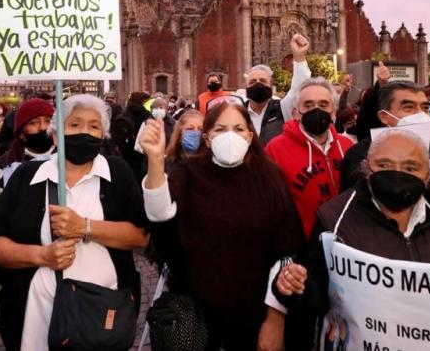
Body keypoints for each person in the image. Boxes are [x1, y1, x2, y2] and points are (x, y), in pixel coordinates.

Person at [274, 129, 430, 350]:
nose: (397, 174)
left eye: (411, 168)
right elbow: (314, 296)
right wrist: (294, 286)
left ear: (427, 176)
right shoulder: (334, 218)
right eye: (384, 165)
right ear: (367, 168)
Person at [0, 94, 148, 351]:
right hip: (36, 313)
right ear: (56, 136)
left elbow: (140, 237)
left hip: (102, 313)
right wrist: (42, 255)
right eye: (75, 124)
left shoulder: (117, 172)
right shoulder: (26, 176)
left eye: (94, 126)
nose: (85, 132)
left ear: (103, 135)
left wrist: (86, 227)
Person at [140, 99, 305, 350]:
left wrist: (275, 319)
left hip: (255, 315)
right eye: (220, 129)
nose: (230, 136)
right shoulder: (188, 173)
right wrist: (155, 161)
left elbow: (286, 253)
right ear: (207, 137)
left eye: (238, 129)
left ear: (250, 136)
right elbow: (160, 214)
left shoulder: (270, 179)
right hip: (196, 317)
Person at [266, 78, 354, 239]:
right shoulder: (276, 149)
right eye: (308, 105)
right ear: (295, 113)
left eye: (323, 105)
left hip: (347, 240)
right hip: (302, 244)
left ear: (333, 112)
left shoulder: (347, 146)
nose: (316, 110)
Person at [340, 81, 430, 191]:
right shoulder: (361, 154)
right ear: (384, 117)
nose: (420, 114)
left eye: (425, 108)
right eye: (409, 107)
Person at [245, 33, 311, 145]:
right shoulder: (239, 112)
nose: (258, 84)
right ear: (246, 88)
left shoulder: (282, 108)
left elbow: (300, 86)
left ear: (271, 86)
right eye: (252, 82)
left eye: (262, 81)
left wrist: (299, 57)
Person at [163, 108, 203, 174]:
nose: (196, 132)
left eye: (200, 129)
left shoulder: (210, 163)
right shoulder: (167, 163)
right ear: (179, 134)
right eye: (190, 129)